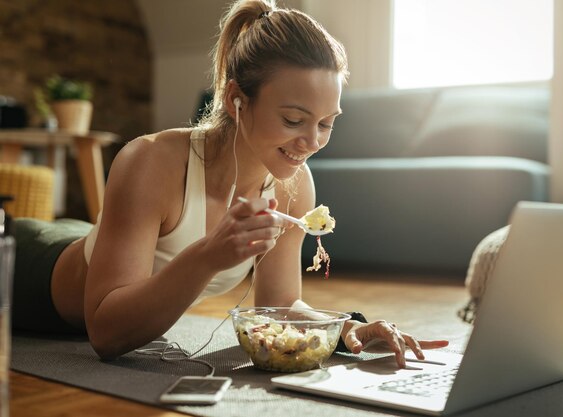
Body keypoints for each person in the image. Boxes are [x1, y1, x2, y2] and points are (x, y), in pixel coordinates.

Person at [12, 0, 448, 368]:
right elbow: (105, 333)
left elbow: (280, 304)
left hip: (85, 239)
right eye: (293, 120)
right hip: (29, 268)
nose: (311, 142)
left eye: (326, 124)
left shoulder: (295, 184)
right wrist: (209, 254)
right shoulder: (150, 162)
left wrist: (349, 327)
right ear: (237, 100)